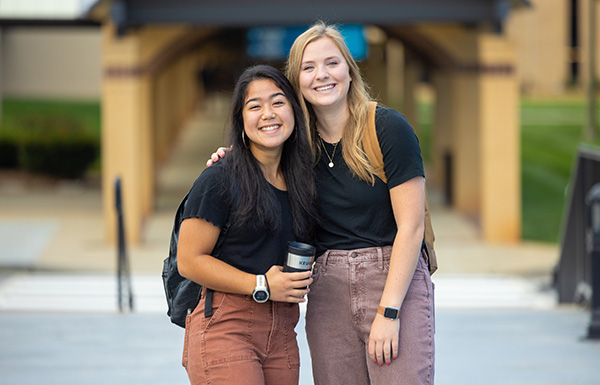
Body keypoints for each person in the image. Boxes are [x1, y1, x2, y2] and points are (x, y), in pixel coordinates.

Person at [208, 22, 435, 385]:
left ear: (349, 69)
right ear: (296, 80)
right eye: (308, 67)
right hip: (326, 288)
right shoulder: (295, 146)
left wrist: (389, 312)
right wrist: (230, 157)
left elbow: (411, 227)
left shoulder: (387, 128)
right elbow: (256, 155)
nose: (321, 75)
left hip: (393, 280)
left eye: (332, 63)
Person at [177, 64, 318, 385]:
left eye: (278, 102)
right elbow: (189, 260)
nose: (268, 113)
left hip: (283, 329)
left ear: (295, 112)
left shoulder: (304, 182)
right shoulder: (219, 178)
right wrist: (261, 285)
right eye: (254, 106)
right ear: (241, 121)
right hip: (227, 326)